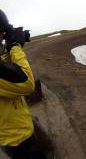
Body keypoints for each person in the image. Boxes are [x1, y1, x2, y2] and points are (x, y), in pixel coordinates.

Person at [0, 9, 48, 159]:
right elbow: (26, 82)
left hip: (12, 134)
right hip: (18, 140)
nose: (2, 37)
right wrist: (15, 46)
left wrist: (9, 46)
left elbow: (6, 72)